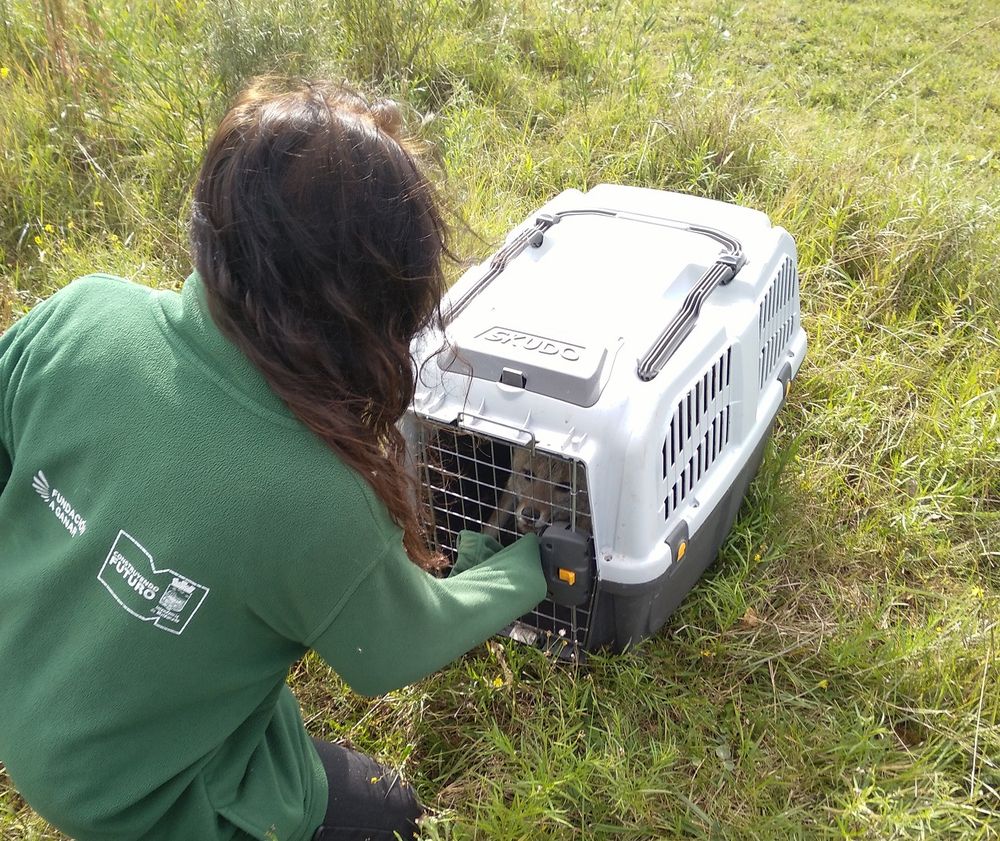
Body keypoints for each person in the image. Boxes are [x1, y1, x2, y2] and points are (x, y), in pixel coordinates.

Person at [0, 78, 547, 841]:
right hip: (140, 799)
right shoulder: (315, 498)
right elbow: (395, 646)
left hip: (24, 708)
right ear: (367, 307)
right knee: (391, 810)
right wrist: (519, 567)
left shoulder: (83, 313)